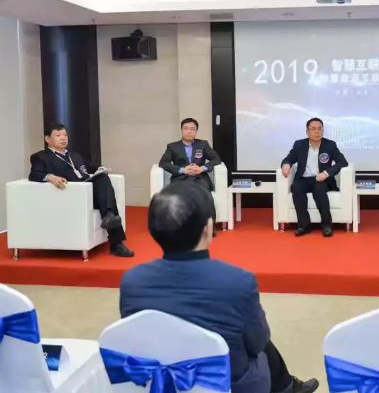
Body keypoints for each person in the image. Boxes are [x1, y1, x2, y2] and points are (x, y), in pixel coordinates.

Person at [119, 182, 319, 393]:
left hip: (162, 383)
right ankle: (287, 387)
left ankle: (288, 387)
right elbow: (257, 342)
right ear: (207, 229)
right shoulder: (238, 282)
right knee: (260, 343)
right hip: (230, 385)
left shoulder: (132, 282)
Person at [28, 123, 134, 257]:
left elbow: (90, 167)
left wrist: (100, 169)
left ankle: (111, 224)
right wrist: (50, 177)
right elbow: (34, 174)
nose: (63, 138)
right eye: (58, 135)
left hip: (88, 192)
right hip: (71, 195)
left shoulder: (75, 156)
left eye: (65, 135)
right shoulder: (41, 157)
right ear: (47, 139)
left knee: (102, 179)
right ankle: (115, 240)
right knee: (107, 202)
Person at [280, 118, 348, 237]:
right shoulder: (299, 145)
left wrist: (326, 173)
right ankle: (304, 226)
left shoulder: (330, 145)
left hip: (322, 179)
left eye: (319, 129)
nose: (317, 132)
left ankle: (327, 225)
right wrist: (286, 165)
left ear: (322, 131)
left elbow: (342, 162)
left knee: (319, 188)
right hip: (304, 179)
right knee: (296, 187)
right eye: (313, 129)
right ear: (307, 131)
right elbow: (289, 158)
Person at [159, 118, 222, 235]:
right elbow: (163, 163)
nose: (189, 131)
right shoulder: (173, 146)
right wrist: (182, 170)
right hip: (181, 178)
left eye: (192, 129)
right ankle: (180, 227)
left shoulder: (203, 144)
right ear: (181, 130)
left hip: (199, 178)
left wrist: (202, 168)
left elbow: (216, 159)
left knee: (206, 196)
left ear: (196, 131)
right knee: (180, 197)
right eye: (186, 128)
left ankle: (209, 227)